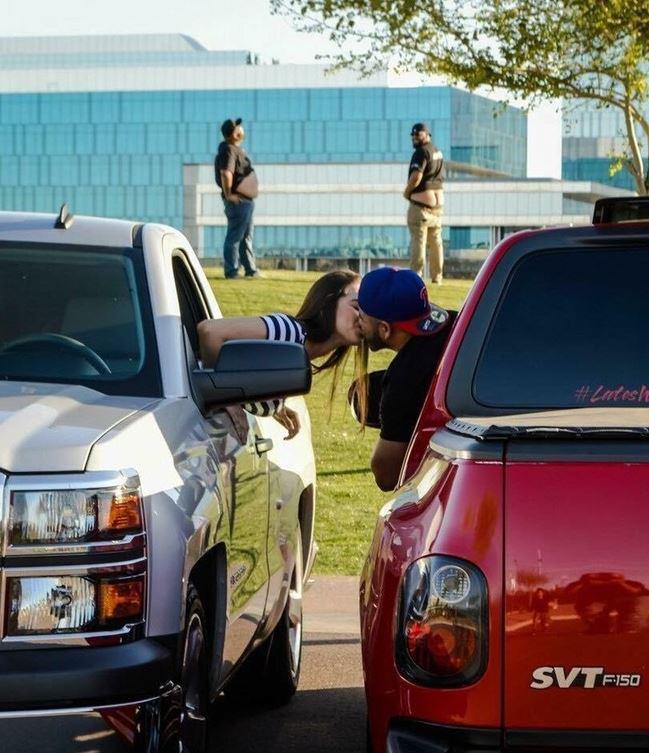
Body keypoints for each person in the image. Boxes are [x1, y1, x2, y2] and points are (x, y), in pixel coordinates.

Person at [198, 269, 367, 438]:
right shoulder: (289, 331)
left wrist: (273, 405)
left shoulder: (300, 348)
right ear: (328, 303)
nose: (362, 316)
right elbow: (210, 331)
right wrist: (226, 399)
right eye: (356, 306)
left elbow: (248, 370)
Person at [356, 267, 456, 491]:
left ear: (384, 330)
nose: (358, 322)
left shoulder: (403, 381)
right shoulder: (457, 323)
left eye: (361, 316)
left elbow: (386, 474)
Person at [214, 117, 260, 279]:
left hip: (245, 201)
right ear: (233, 134)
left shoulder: (234, 149)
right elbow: (226, 173)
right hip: (238, 201)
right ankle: (231, 270)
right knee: (235, 236)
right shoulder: (228, 150)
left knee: (246, 236)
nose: (242, 131)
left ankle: (250, 269)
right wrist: (229, 195)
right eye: (238, 129)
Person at [404, 122, 445, 284]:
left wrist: (407, 192)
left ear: (427, 135)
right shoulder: (437, 152)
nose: (414, 138)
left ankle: (416, 275)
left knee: (418, 241)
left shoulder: (421, 152)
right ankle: (437, 277)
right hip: (438, 206)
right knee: (436, 242)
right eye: (413, 135)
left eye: (418, 134)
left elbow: (416, 177)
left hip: (421, 207)